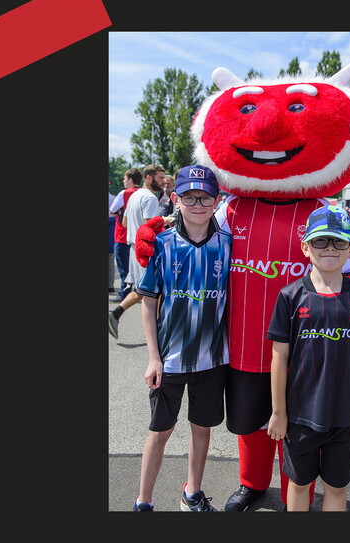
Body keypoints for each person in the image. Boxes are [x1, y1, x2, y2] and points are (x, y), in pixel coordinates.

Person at [133, 62, 350, 512]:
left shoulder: (321, 213)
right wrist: (156, 234)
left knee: (297, 424)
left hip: (306, 347)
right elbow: (193, 230)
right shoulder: (231, 209)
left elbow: (347, 270)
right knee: (251, 423)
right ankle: (252, 483)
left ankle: (299, 489)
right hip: (240, 343)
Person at [266, 205, 350, 512]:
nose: (330, 248)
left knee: (336, 488)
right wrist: (279, 413)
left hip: (345, 416)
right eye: (320, 240)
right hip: (300, 416)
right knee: (299, 484)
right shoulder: (290, 296)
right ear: (306, 247)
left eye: (339, 241)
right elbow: (279, 359)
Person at [132, 164, 231, 512]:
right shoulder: (161, 244)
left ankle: (192, 493)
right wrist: (153, 358)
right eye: (189, 197)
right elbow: (148, 304)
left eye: (205, 197)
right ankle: (144, 501)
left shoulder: (228, 245)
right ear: (175, 199)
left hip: (212, 359)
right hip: (170, 360)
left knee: (202, 430)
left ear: (217, 200)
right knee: (159, 432)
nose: (198, 204)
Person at [108, 164, 164, 339]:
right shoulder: (150, 198)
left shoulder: (134, 196)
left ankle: (116, 314)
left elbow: (124, 222)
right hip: (144, 249)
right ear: (149, 177)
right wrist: (166, 222)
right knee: (153, 292)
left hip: (133, 247)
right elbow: (149, 226)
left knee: (144, 289)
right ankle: (156, 333)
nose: (163, 181)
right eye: (160, 178)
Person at [110, 169, 141, 300]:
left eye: (124, 179)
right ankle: (138, 291)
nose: (123, 181)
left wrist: (119, 213)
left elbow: (112, 210)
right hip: (137, 235)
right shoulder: (142, 193)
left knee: (124, 267)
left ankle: (124, 292)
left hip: (122, 235)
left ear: (130, 180)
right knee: (136, 267)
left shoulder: (125, 193)